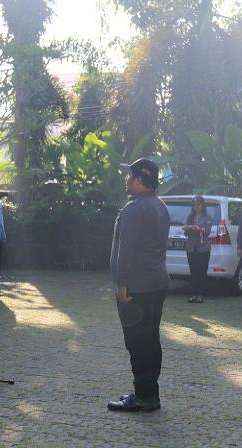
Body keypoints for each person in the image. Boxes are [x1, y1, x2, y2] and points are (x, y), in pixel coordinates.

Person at [107, 158, 169, 413]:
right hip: (157, 283)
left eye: (129, 176)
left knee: (137, 343)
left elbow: (126, 251)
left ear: (138, 180)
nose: (126, 180)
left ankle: (143, 397)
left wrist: (122, 284)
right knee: (151, 340)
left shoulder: (133, 210)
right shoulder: (160, 205)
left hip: (136, 289)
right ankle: (149, 393)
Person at [182, 195, 213, 303]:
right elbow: (186, 233)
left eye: (198, 205)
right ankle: (194, 294)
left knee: (202, 271)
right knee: (193, 271)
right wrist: (188, 228)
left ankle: (201, 294)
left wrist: (197, 228)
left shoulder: (208, 218)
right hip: (191, 248)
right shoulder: (189, 217)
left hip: (203, 248)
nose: (196, 207)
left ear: (203, 205)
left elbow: (207, 232)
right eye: (194, 205)